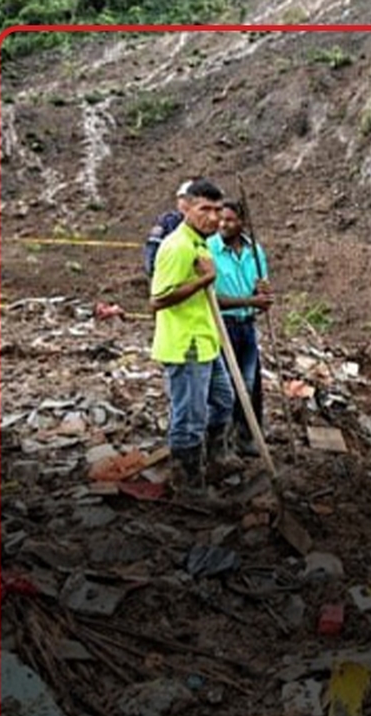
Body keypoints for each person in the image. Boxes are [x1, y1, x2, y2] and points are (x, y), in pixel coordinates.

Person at [148, 178, 234, 498]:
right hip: (185, 346)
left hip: (207, 342)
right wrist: (206, 279)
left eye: (217, 210)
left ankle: (215, 458)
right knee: (190, 417)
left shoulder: (202, 243)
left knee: (224, 401)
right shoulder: (177, 246)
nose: (213, 217)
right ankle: (187, 481)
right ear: (187, 208)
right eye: (205, 209)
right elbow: (158, 300)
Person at [207, 199, 273, 458]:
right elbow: (211, 297)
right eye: (221, 219)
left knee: (250, 383)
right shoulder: (209, 249)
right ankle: (219, 443)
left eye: (230, 220)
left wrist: (263, 297)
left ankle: (246, 436)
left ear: (242, 223)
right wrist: (250, 300)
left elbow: (260, 290)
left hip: (246, 326)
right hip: (222, 326)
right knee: (225, 388)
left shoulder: (254, 251)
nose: (223, 224)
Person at [143, 178, 200, 278]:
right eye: (182, 198)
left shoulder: (206, 224)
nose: (185, 203)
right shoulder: (169, 222)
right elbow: (152, 251)